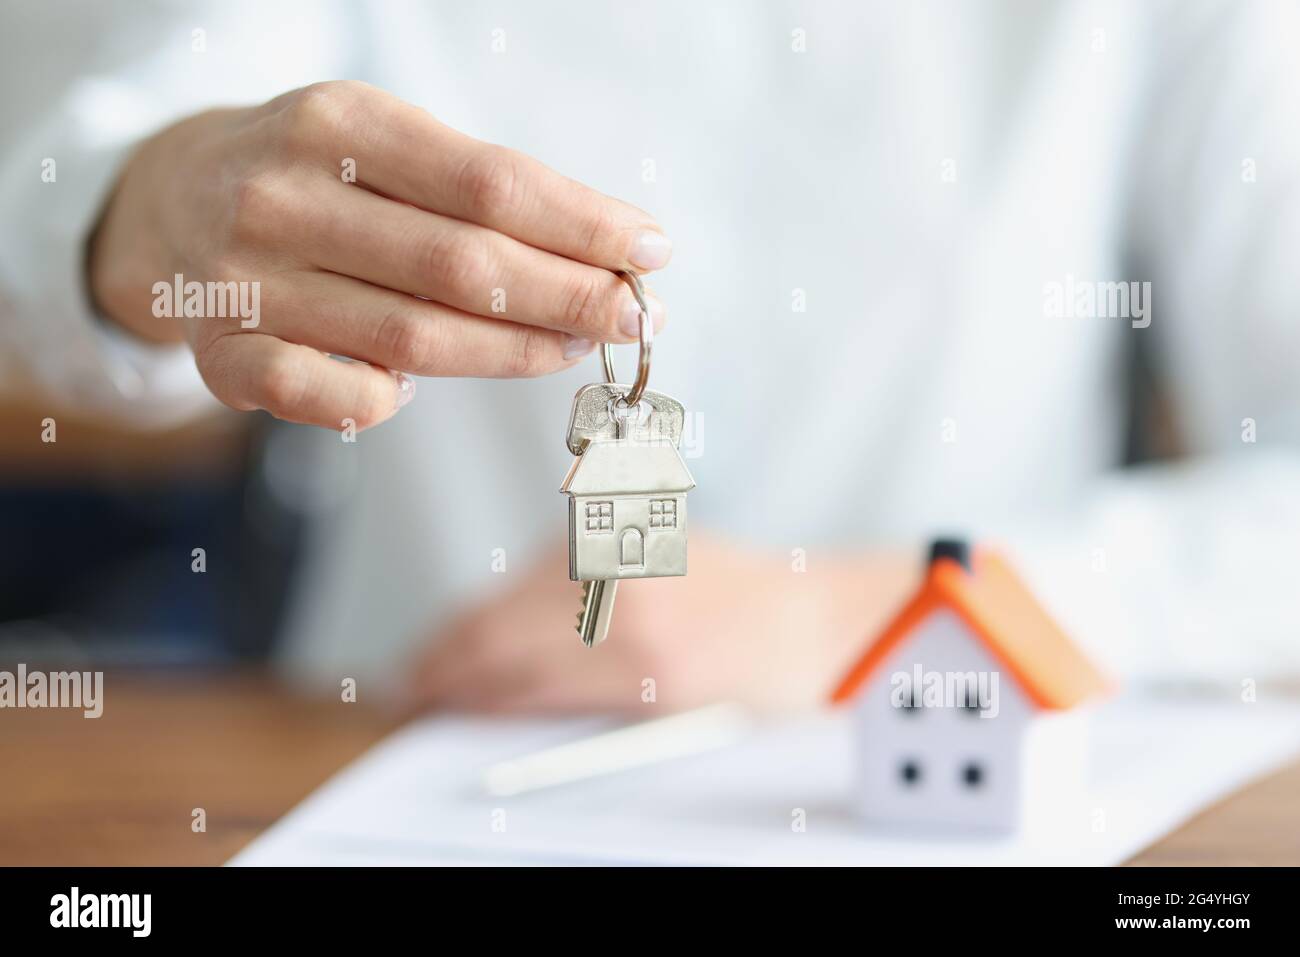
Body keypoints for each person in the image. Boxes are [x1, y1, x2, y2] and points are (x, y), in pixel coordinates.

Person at [3, 0, 1299, 713]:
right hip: (394, 747)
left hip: (951, 769)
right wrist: (140, 214)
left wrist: (893, 609)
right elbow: (66, 192)